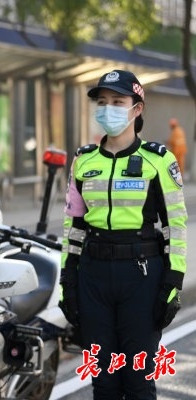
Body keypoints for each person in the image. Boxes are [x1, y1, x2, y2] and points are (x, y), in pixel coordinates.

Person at [59, 70, 187, 399]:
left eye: (118, 102)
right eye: (102, 102)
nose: (108, 109)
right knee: (103, 380)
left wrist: (172, 284)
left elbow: (176, 226)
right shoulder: (83, 161)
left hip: (141, 277)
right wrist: (68, 282)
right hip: (93, 276)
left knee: (138, 378)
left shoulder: (157, 160)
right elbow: (73, 227)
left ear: (137, 109)